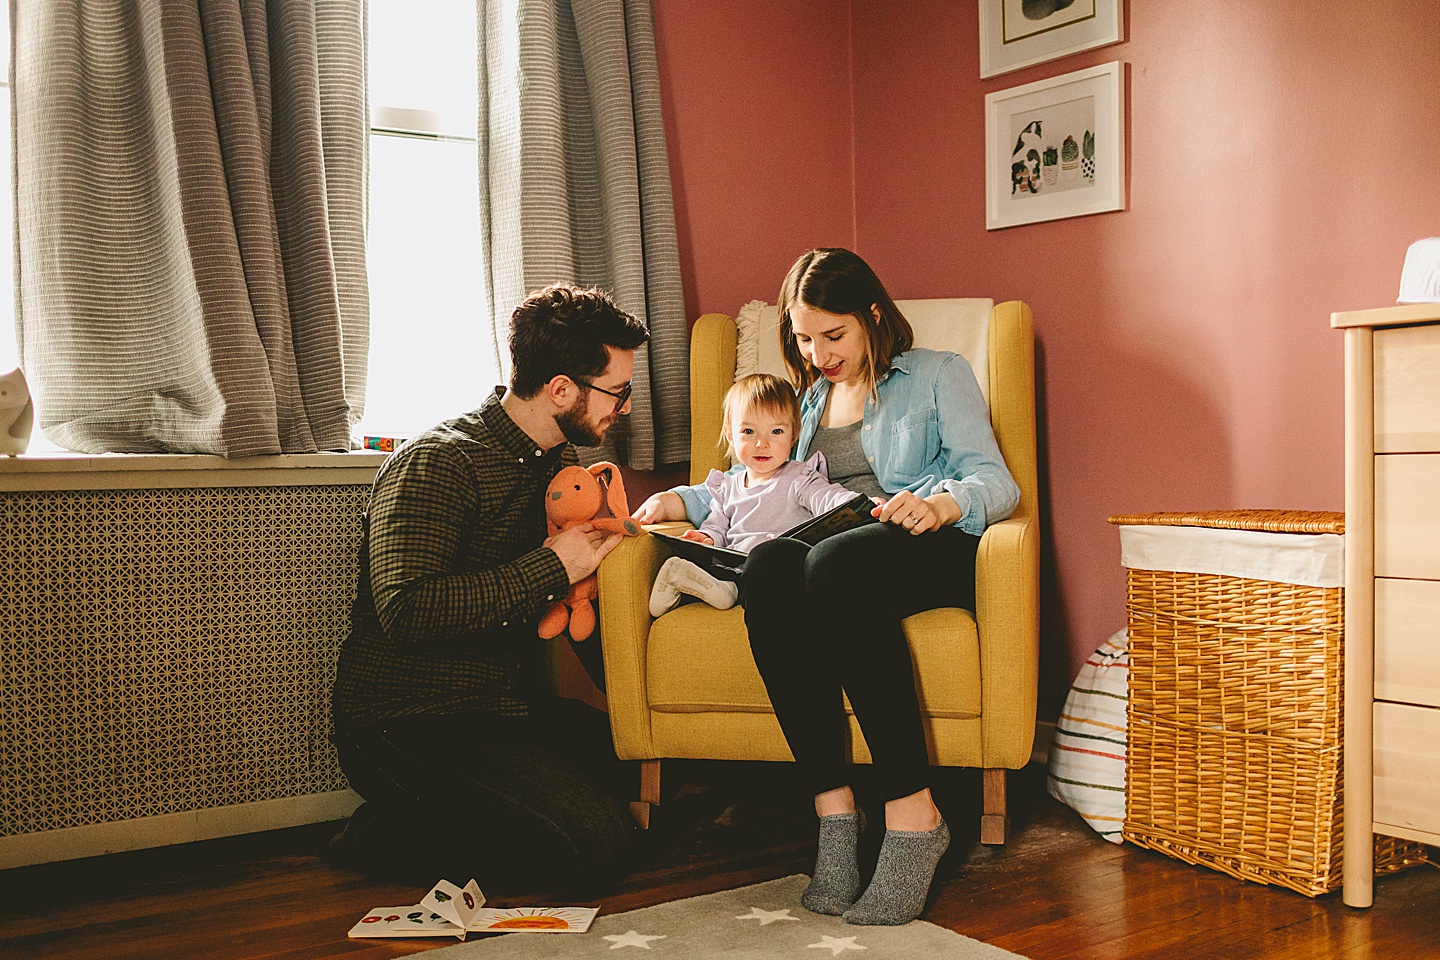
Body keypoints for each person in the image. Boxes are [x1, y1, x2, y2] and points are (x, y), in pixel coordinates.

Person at [632, 248, 1019, 925]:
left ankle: (913, 816)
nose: (818, 353)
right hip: (838, 550)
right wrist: (684, 508)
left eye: (832, 336)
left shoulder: (937, 374)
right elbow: (757, 477)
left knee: (832, 563)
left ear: (872, 314)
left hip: (927, 540)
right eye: (804, 337)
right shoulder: (807, 398)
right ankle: (835, 813)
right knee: (773, 566)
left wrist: (941, 505)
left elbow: (996, 480)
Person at [330, 283, 649, 893]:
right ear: (561, 389)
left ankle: (478, 814)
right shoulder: (439, 462)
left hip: (507, 714)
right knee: (596, 849)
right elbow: (408, 611)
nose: (626, 407)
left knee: (662, 772)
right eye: (618, 391)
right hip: (410, 721)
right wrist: (552, 567)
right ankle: (381, 832)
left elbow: (572, 604)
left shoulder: (562, 472)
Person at [647, 373, 860, 617]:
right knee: (716, 566)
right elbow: (717, 527)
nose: (762, 443)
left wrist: (858, 504)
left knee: (766, 572)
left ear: (794, 434)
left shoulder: (800, 478)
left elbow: (828, 499)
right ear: (730, 434)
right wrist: (706, 537)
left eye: (776, 431)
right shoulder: (726, 487)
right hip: (735, 565)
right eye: (748, 431)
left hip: (777, 571)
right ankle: (686, 579)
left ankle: (722, 591)